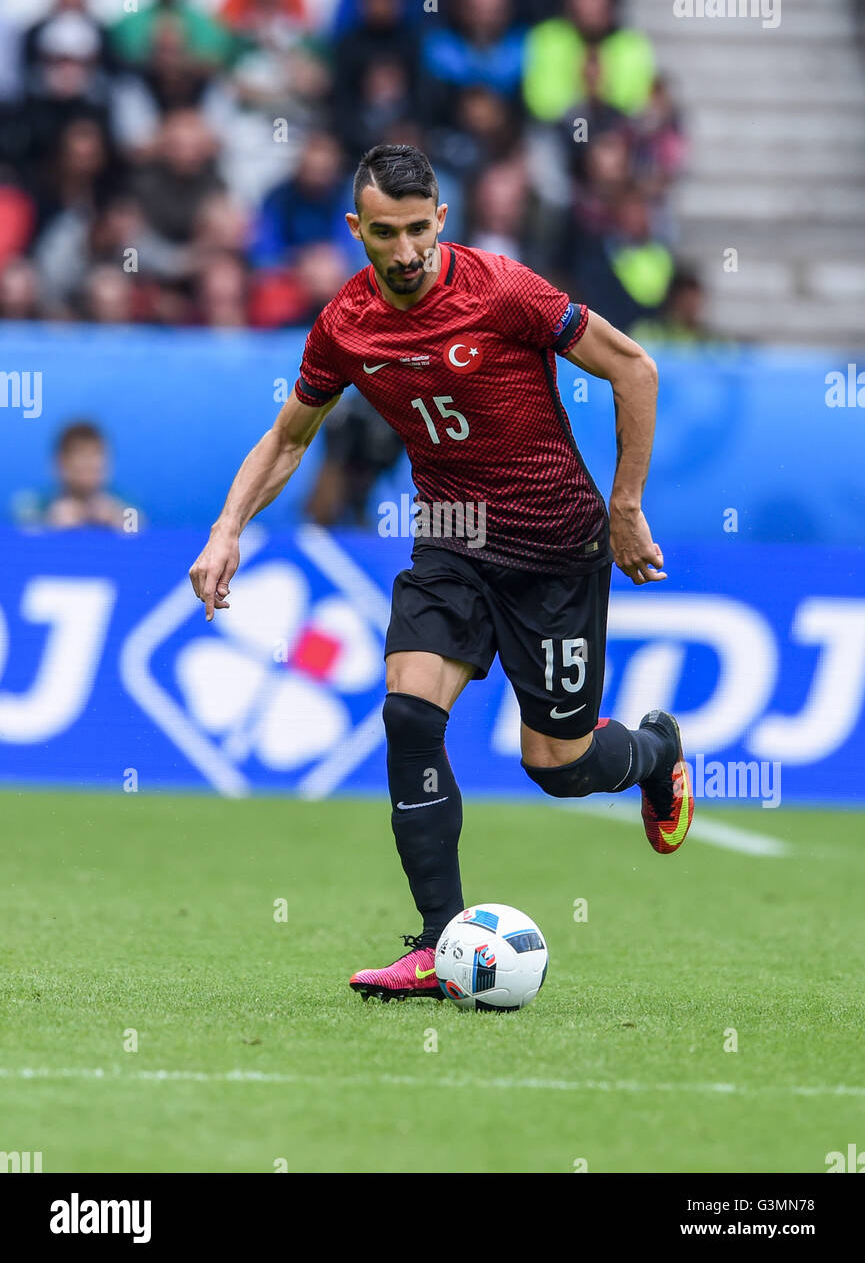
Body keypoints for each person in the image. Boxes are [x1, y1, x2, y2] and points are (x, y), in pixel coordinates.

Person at [188, 142, 693, 1002]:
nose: (407, 251)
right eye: (385, 233)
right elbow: (288, 439)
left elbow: (631, 367)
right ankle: (432, 942)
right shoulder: (345, 325)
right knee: (407, 714)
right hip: (451, 541)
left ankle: (654, 755)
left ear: (441, 221)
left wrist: (625, 504)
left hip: (552, 550)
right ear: (358, 229)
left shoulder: (502, 289)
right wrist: (227, 528)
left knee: (557, 764)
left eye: (420, 229)